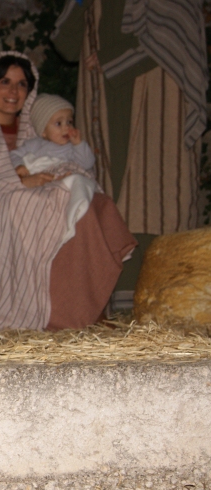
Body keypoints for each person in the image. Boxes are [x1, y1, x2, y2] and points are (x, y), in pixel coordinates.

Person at [0, 52, 137, 331]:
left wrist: (58, 178)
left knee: (86, 203)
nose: (13, 91)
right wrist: (20, 184)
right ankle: (56, 313)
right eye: (6, 81)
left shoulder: (33, 135)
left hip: (31, 202)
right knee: (47, 205)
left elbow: (57, 163)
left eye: (22, 85)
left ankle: (81, 311)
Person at [52, 0, 208, 291]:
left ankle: (160, 307)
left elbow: (176, 34)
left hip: (158, 111)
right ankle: (119, 314)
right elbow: (65, 44)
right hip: (102, 117)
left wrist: (112, 58)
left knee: (155, 203)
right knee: (110, 210)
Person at [10, 93, 99, 246]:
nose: (66, 127)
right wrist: (19, 166)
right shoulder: (34, 144)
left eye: (69, 122)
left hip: (64, 175)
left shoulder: (72, 148)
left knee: (77, 180)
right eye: (59, 123)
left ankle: (76, 214)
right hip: (42, 180)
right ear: (43, 131)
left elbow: (87, 163)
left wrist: (78, 144)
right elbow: (12, 155)